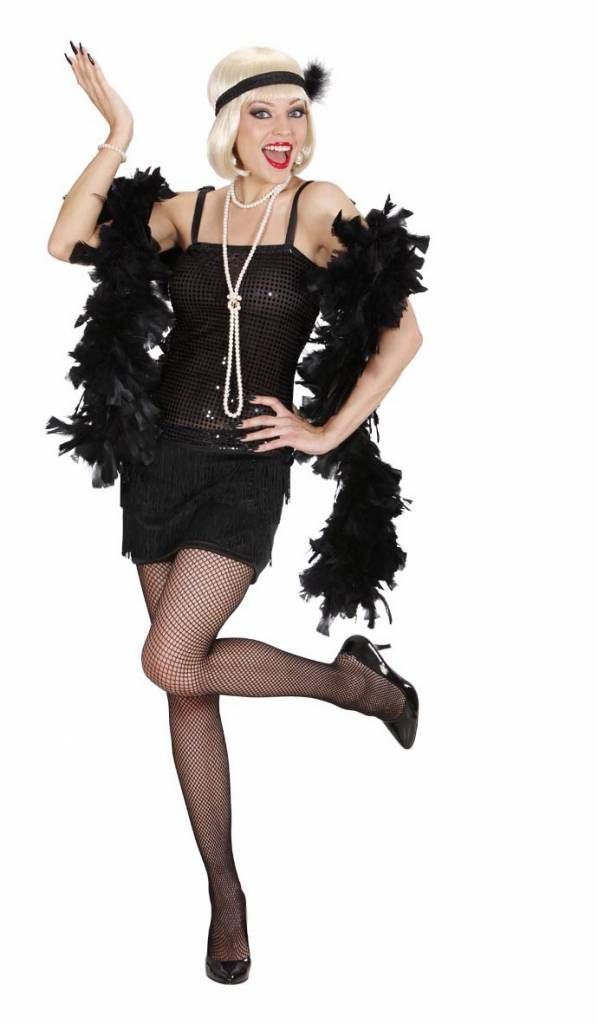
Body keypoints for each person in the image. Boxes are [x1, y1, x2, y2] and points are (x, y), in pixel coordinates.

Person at [47, 44, 429, 984]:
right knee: (187, 686)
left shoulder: (319, 207)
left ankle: (358, 688)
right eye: (264, 113)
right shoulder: (189, 212)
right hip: (159, 461)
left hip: (246, 468)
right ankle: (226, 892)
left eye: (297, 113)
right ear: (229, 123)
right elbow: (68, 243)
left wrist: (324, 429)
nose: (284, 131)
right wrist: (118, 133)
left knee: (170, 658)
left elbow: (404, 331)